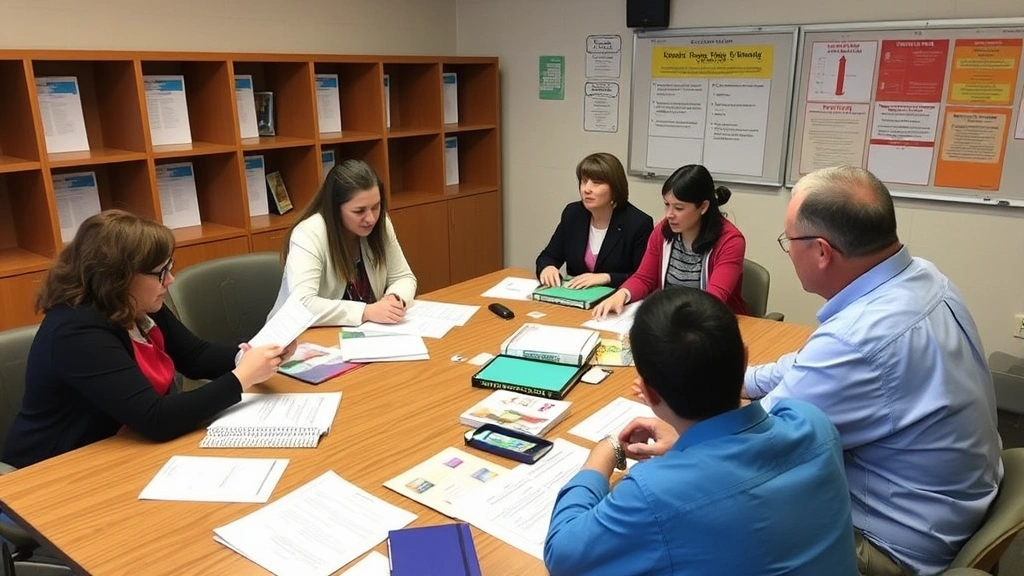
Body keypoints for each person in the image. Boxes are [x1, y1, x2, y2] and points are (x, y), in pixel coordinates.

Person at [745, 166, 1002, 576]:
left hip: (894, 546)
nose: (788, 251)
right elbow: (812, 367)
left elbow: (756, 448)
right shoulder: (926, 279)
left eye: (788, 241)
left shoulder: (855, 340)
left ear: (822, 251)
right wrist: (742, 379)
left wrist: (687, 420)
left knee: (724, 513)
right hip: (957, 504)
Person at [544, 287, 857, 576]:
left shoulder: (653, 494)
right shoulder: (813, 423)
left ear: (649, 394)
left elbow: (561, 554)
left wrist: (604, 452)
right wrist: (686, 445)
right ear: (745, 359)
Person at [3, 210, 289, 469]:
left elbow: (195, 356)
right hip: (54, 471)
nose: (170, 280)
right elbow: (156, 418)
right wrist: (241, 378)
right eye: (160, 272)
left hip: (122, 451)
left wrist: (255, 357)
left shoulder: (135, 302)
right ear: (117, 277)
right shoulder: (76, 333)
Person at [269, 159, 417, 326]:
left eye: (376, 207)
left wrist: (394, 298)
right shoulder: (308, 234)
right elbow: (302, 304)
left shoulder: (381, 224)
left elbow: (403, 277)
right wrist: (366, 312)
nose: (371, 218)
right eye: (359, 211)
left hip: (362, 334)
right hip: (299, 338)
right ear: (335, 208)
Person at [592, 164, 747, 318]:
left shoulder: (731, 241)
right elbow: (644, 277)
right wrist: (622, 294)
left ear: (703, 207)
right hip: (671, 318)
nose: (669, 215)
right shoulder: (663, 231)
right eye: (667, 205)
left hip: (716, 322)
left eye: (679, 208)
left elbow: (715, 298)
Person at [535, 152, 653, 289]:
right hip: (574, 297)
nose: (586, 189)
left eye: (596, 183)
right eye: (584, 181)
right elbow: (548, 256)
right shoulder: (573, 213)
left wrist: (606, 277)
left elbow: (642, 277)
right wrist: (547, 268)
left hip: (614, 299)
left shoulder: (638, 223)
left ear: (615, 188)